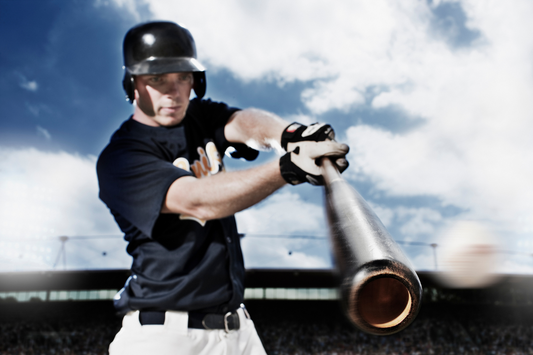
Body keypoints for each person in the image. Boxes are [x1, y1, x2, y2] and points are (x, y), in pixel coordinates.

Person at [96, 21, 349, 355]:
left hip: (238, 329)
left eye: (182, 77)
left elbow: (243, 123)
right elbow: (197, 201)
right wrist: (287, 168)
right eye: (157, 80)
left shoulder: (198, 115)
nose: (172, 92)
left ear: (194, 80)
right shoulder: (120, 157)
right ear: (134, 84)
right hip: (164, 337)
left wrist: (289, 135)